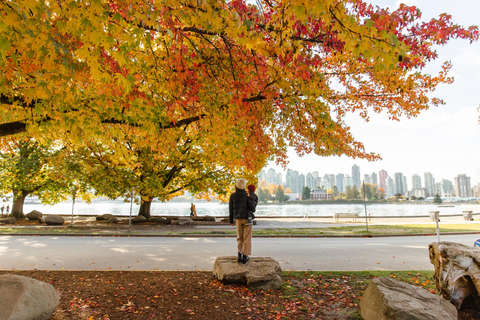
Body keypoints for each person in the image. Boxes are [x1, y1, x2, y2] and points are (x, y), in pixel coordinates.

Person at [229, 178, 256, 264]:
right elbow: (253, 209)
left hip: (238, 219)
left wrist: (231, 221)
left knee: (239, 237)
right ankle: (245, 256)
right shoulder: (247, 195)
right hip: (247, 219)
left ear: (236, 186)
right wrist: (251, 200)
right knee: (247, 238)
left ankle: (239, 255)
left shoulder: (233, 196)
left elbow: (230, 210)